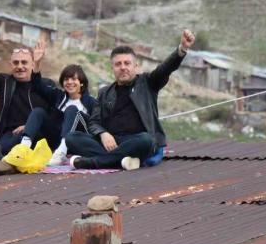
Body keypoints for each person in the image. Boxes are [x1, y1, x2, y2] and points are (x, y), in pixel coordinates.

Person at [66, 30, 196, 170]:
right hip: (111, 142)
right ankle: (122, 160)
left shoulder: (148, 83)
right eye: (118, 64)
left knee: (146, 140)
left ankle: (94, 162)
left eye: (127, 63)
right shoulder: (104, 92)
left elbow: (165, 68)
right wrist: (103, 134)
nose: (123, 67)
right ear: (112, 68)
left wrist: (182, 49)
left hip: (136, 140)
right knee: (72, 138)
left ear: (135, 66)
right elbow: (94, 122)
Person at [0, 23, 50, 156]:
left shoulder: (46, 85)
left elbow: (53, 115)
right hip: (11, 135)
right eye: (16, 63)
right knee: (4, 146)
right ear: (10, 65)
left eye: (24, 62)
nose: (20, 66)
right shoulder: (6, 83)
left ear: (33, 64)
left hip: (38, 133)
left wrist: (29, 127)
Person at [21, 41, 97, 166]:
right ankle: (23, 149)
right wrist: (37, 63)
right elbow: (37, 85)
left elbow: (96, 126)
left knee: (72, 109)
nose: (69, 82)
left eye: (74, 79)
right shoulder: (58, 96)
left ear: (82, 83)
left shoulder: (91, 102)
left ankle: (61, 153)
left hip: (78, 141)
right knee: (38, 112)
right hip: (55, 141)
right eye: (66, 79)